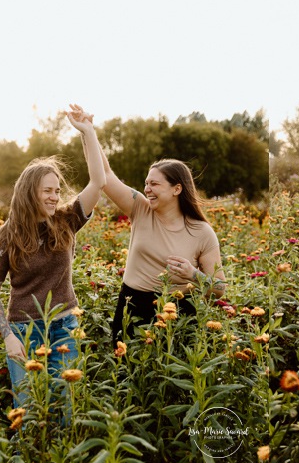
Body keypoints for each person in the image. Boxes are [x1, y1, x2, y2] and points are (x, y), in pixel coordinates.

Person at [0, 104, 106, 408]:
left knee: (66, 405)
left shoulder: (67, 220)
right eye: (47, 191)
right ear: (29, 192)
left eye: (57, 190)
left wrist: (88, 132)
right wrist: (8, 336)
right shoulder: (7, 234)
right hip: (24, 332)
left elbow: (98, 182)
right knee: (27, 408)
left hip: (65, 326)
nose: (54, 197)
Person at [94, 143, 226, 347]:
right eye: (146, 183)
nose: (147, 189)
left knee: (172, 376)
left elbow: (219, 288)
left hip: (177, 316)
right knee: (126, 374)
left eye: (154, 184)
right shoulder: (140, 208)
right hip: (132, 307)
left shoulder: (202, 232)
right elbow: (105, 175)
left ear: (177, 189)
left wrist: (193, 274)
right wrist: (87, 131)